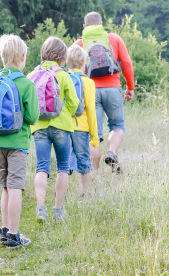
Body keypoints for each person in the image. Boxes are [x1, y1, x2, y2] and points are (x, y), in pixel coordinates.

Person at [0, 35, 39, 249]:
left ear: (3, 57)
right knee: (15, 186)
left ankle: (5, 231)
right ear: (22, 57)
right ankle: (15, 235)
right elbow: (33, 117)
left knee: (4, 186)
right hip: (18, 142)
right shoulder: (25, 84)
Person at [74, 12, 134, 173]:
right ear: (101, 24)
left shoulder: (79, 43)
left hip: (90, 91)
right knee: (117, 126)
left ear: (84, 26)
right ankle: (112, 153)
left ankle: (94, 173)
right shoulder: (114, 39)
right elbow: (126, 64)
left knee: (94, 134)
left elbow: (71, 72)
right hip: (113, 87)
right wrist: (130, 88)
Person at [29, 37, 79, 222]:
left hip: (39, 127)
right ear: (62, 56)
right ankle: (58, 211)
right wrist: (65, 114)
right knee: (63, 168)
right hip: (61, 127)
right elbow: (74, 102)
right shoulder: (64, 76)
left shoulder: (31, 75)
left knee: (41, 167)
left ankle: (41, 208)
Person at [66, 44, 99, 195]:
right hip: (81, 128)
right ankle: (85, 192)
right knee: (84, 160)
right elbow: (91, 110)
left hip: (64, 127)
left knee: (64, 162)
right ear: (82, 62)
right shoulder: (88, 82)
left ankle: (61, 193)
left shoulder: (63, 78)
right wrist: (94, 136)